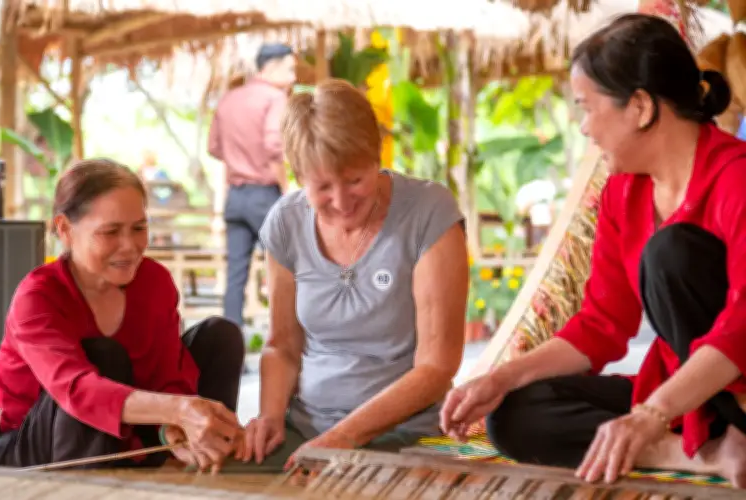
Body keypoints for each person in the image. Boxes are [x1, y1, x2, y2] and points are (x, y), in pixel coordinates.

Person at [440, 13, 746, 488]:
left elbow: (742, 325)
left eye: (586, 107)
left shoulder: (735, 178)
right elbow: (602, 325)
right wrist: (502, 377)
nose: (583, 128)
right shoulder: (622, 194)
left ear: (641, 107)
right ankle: (704, 455)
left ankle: (712, 436)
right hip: (679, 402)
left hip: (726, 389)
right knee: (513, 413)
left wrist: (652, 411)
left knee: (671, 253)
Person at [231, 79, 468, 470]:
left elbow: (436, 366)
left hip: (406, 435)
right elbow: (283, 345)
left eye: (355, 180)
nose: (341, 202)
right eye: (322, 187)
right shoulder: (285, 222)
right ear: (297, 175)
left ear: (377, 157)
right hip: (307, 429)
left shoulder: (429, 212)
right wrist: (270, 417)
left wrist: (343, 438)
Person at [0, 159, 246, 472]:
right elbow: (78, 390)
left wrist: (172, 429)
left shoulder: (154, 282)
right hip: (23, 449)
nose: (129, 246)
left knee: (220, 336)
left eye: (139, 228)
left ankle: (205, 455)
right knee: (103, 357)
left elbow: (167, 377)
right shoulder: (37, 296)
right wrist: (178, 410)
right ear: (64, 229)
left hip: (120, 434)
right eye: (110, 232)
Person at [208, 43, 297, 330]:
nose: (294, 77)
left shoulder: (229, 99)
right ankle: (288, 339)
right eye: (290, 69)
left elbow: (214, 147)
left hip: (235, 197)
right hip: (265, 196)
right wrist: (286, 189)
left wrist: (239, 160)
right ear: (270, 68)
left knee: (235, 275)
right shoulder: (275, 98)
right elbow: (274, 146)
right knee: (287, 267)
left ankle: (230, 348)